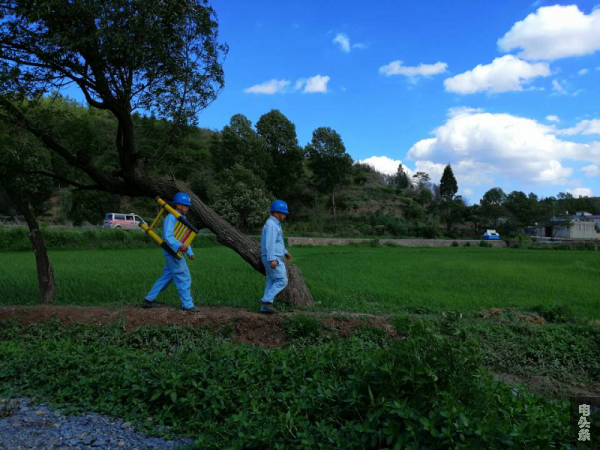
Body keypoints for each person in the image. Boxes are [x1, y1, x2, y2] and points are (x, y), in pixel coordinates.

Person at [142, 192, 199, 312]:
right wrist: (180, 246)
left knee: (166, 277)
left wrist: (189, 252)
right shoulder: (171, 217)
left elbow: (184, 238)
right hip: (172, 252)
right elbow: (168, 237)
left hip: (176, 251)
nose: (188, 208)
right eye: (186, 206)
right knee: (184, 276)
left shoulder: (182, 218)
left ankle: (148, 300)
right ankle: (187, 305)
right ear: (178, 205)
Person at [260, 200, 292, 314]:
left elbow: (277, 242)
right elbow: (269, 243)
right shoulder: (272, 225)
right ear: (276, 213)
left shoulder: (275, 224)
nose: (284, 216)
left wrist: (285, 252)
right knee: (282, 280)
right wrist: (272, 259)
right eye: (283, 213)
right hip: (272, 258)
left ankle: (265, 308)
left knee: (271, 281)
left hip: (271, 257)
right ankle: (266, 301)